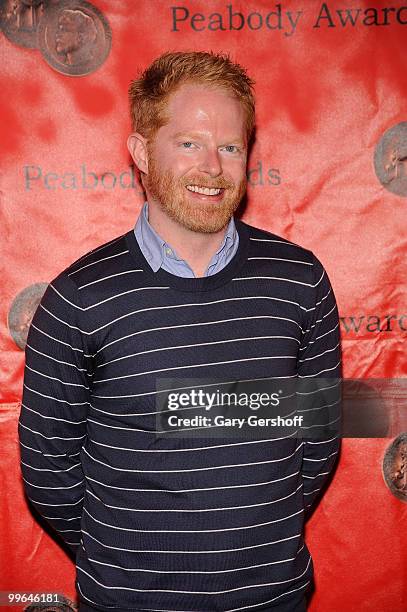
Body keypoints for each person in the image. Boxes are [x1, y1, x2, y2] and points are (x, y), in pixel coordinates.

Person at [19, 51, 341, 612]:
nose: (213, 167)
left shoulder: (300, 280)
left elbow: (318, 441)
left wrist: (256, 541)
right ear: (142, 151)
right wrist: (123, 553)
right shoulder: (79, 296)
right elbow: (48, 469)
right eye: (189, 143)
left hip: (272, 597)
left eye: (230, 146)